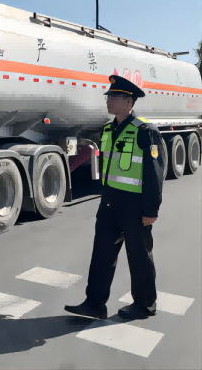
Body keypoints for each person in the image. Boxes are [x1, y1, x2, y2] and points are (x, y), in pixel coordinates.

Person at [65, 74, 166, 321]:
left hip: (135, 206)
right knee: (101, 255)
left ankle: (145, 305)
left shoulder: (145, 131)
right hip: (110, 203)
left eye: (113, 96)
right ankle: (94, 304)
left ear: (128, 101)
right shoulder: (109, 129)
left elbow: (154, 174)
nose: (108, 100)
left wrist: (151, 210)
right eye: (108, 96)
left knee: (139, 257)